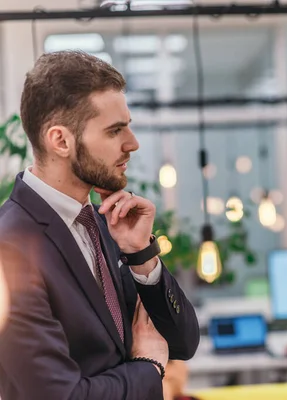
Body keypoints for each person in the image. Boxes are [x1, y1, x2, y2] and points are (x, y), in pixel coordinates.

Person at [0, 51, 200, 399]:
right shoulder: (9, 248)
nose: (132, 144)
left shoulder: (107, 224)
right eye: (115, 131)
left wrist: (142, 255)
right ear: (60, 140)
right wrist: (148, 367)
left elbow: (182, 342)